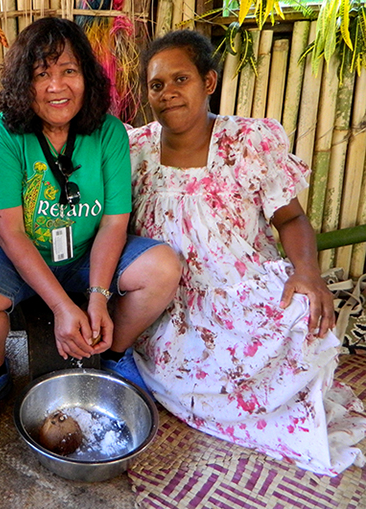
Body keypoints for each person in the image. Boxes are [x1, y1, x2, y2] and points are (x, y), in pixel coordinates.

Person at [127, 29, 366, 475]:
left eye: (181, 79)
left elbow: (290, 219)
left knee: (302, 317)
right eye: (157, 85)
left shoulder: (248, 142)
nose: (168, 93)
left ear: (209, 82)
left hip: (238, 288)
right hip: (168, 298)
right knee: (181, 364)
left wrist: (309, 273)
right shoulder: (135, 148)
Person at [0, 17, 181, 428]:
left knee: (162, 267)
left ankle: (116, 357)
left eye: (69, 72)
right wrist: (61, 306)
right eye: (42, 74)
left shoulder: (108, 132)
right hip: (16, 257)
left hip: (87, 253)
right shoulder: (1, 136)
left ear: (87, 78)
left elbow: (114, 222)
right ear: (24, 82)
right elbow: (10, 231)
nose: (57, 87)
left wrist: (96, 297)